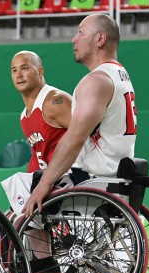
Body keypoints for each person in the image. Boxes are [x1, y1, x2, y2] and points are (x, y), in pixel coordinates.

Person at [24, 13, 137, 218]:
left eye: (80, 33)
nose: (73, 39)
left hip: (94, 181)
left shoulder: (97, 80)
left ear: (100, 39)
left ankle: (38, 251)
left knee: (24, 192)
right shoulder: (120, 74)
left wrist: (45, 184)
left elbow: (74, 139)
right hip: (116, 178)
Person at [0, 51, 71, 273]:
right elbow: (38, 156)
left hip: (69, 177)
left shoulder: (55, 101)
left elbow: (87, 135)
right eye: (14, 70)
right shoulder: (25, 115)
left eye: (25, 68)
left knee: (21, 210)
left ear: (40, 72)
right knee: (10, 215)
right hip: (49, 178)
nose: (19, 74)